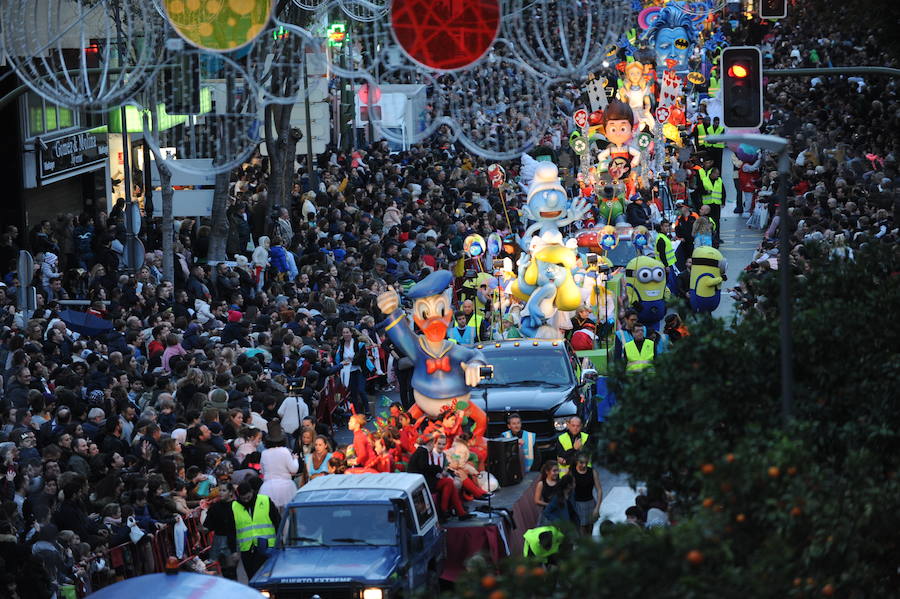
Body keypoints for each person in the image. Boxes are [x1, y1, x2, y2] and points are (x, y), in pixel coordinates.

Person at [231, 481, 280, 579]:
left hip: (266, 546)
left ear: (252, 492)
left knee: (264, 576)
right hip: (247, 549)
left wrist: (280, 540)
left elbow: (277, 521)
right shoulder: (234, 506)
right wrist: (233, 550)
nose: (246, 501)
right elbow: (231, 530)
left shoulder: (265, 501)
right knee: (251, 577)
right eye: (243, 498)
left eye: (248, 498)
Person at [257, 421, 300, 509]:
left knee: (271, 515)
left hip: (268, 487)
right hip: (285, 487)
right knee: (287, 515)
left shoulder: (264, 453)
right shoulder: (284, 451)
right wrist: (295, 459)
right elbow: (294, 469)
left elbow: (262, 471)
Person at [334, 327, 371, 416]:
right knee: (353, 393)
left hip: (359, 370)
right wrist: (342, 363)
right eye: (344, 332)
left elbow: (362, 358)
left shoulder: (359, 344)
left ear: (351, 333)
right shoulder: (341, 346)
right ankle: (358, 414)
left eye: (347, 332)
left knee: (361, 390)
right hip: (347, 372)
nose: (345, 334)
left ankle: (368, 411)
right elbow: (338, 358)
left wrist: (352, 360)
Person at [570, 452, 602, 534]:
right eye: (581, 463)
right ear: (577, 461)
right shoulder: (572, 473)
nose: (584, 465)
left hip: (590, 503)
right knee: (581, 531)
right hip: (577, 504)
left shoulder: (592, 472)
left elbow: (599, 490)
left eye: (586, 463)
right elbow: (568, 491)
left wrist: (597, 508)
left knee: (590, 530)